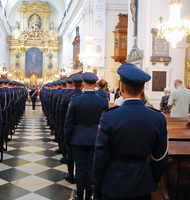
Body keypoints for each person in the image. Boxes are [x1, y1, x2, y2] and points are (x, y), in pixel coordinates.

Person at [93, 63, 168, 200]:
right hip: (143, 183)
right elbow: (161, 158)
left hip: (113, 182)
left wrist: (97, 184)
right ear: (143, 88)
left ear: (121, 88)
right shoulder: (158, 118)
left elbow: (100, 156)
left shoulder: (109, 116)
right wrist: (151, 180)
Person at [64, 72, 109, 200]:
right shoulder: (103, 100)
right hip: (96, 139)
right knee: (91, 169)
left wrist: (67, 140)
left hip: (78, 139)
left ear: (83, 84)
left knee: (80, 169)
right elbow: (105, 123)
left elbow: (68, 123)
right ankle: (89, 196)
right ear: (95, 85)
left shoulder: (76, 100)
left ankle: (79, 196)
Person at [59, 75, 83, 184]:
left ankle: (70, 175)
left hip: (71, 130)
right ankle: (83, 180)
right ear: (82, 85)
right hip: (88, 134)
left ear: (72, 84)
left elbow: (62, 113)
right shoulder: (86, 97)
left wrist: (62, 128)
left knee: (71, 154)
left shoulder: (66, 96)